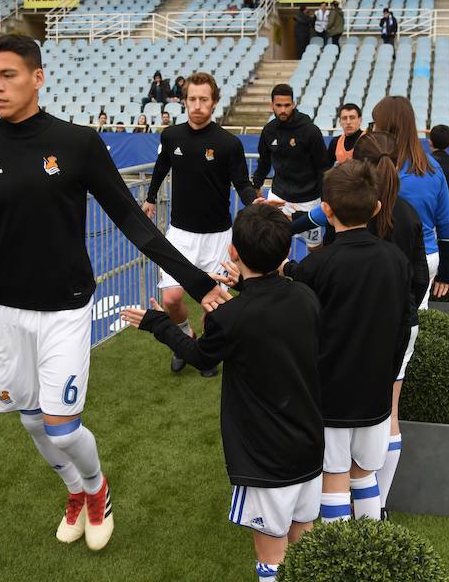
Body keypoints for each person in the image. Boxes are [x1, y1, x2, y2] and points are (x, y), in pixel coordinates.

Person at [0, 34, 229, 552]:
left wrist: (199, 282)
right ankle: (74, 491)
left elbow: (133, 221)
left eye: (8, 75)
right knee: (31, 423)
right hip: (8, 308)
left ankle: (96, 488)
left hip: (65, 307)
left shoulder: (77, 143)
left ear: (37, 77)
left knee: (62, 428)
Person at [121, 204, 325, 582]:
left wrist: (158, 324)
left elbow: (200, 355)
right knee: (305, 544)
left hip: (265, 457)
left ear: (233, 251)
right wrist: (244, 288)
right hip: (310, 445)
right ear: (286, 252)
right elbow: (269, 311)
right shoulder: (306, 297)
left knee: (272, 558)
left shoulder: (231, 317)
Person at [291, 132, 427, 520]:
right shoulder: (395, 261)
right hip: (376, 392)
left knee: (334, 478)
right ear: (377, 206)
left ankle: (338, 551)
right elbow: (404, 322)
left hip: (330, 395)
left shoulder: (317, 265)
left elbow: (303, 327)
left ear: (326, 210)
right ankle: (371, 541)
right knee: (365, 474)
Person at [141, 72, 256, 377]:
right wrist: (150, 198)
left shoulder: (229, 143)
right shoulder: (171, 136)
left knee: (214, 304)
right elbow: (161, 166)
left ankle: (206, 350)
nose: (197, 105)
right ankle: (185, 339)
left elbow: (242, 183)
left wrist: (255, 203)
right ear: (185, 101)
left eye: (204, 99)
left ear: (214, 102)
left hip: (218, 236)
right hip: (180, 234)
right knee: (171, 298)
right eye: (192, 99)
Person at [372, 96, 449, 309]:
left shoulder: (372, 166)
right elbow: (446, 223)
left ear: (384, 126)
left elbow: (343, 206)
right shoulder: (432, 167)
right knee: (414, 321)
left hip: (381, 258)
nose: (372, 129)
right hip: (425, 258)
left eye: (375, 123)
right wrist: (447, 271)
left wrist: (299, 220)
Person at [252, 83, 332, 250]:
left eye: (287, 105)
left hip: (308, 200)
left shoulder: (310, 131)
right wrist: (257, 185)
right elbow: (264, 161)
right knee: (274, 243)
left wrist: (325, 198)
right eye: (278, 105)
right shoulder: (269, 130)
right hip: (278, 198)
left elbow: (322, 168)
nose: (283, 110)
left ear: (294, 104)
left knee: (315, 248)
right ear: (272, 105)